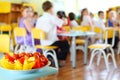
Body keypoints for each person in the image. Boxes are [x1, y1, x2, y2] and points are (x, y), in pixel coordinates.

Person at [36, 1, 70, 66]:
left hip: (42, 42)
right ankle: (60, 60)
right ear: (50, 8)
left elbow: (44, 29)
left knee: (58, 43)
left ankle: (52, 59)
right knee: (66, 44)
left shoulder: (40, 19)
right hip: (50, 42)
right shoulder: (52, 17)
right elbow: (64, 23)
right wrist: (64, 18)